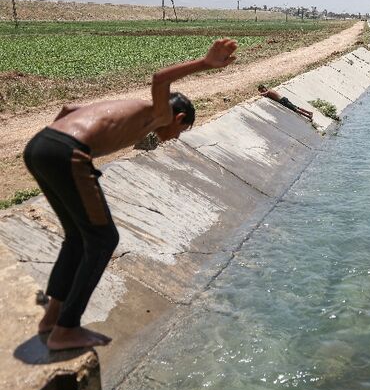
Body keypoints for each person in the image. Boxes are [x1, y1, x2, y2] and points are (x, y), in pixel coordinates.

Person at [24, 39, 239, 351]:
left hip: (41, 145)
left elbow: (70, 110)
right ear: (178, 119)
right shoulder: (161, 113)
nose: (174, 137)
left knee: (77, 236)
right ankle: (66, 329)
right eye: (182, 131)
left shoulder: (130, 108)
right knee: (103, 239)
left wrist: (63, 149)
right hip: (68, 154)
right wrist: (205, 64)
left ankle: (52, 319)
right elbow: (160, 78)